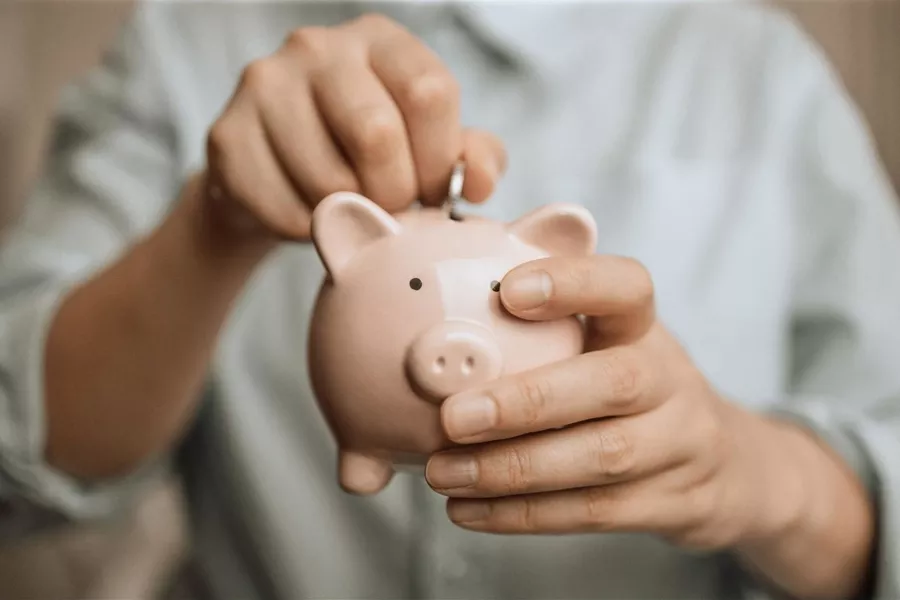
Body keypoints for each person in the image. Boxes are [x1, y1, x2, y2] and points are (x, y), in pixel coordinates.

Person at [1, 2, 899, 599]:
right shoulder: (185, 39)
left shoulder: (757, 71)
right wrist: (212, 223)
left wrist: (752, 474)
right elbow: (17, 466)